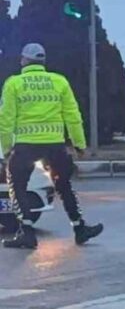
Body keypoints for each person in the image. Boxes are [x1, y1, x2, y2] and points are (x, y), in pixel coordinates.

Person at [0, 43, 103, 249]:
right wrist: (79, 144)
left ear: (24, 60)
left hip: (26, 146)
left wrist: (6, 148)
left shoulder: (14, 84)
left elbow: (6, 119)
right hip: (55, 146)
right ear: (43, 61)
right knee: (64, 186)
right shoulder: (59, 82)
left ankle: (27, 232)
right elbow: (73, 116)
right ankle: (79, 228)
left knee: (17, 185)